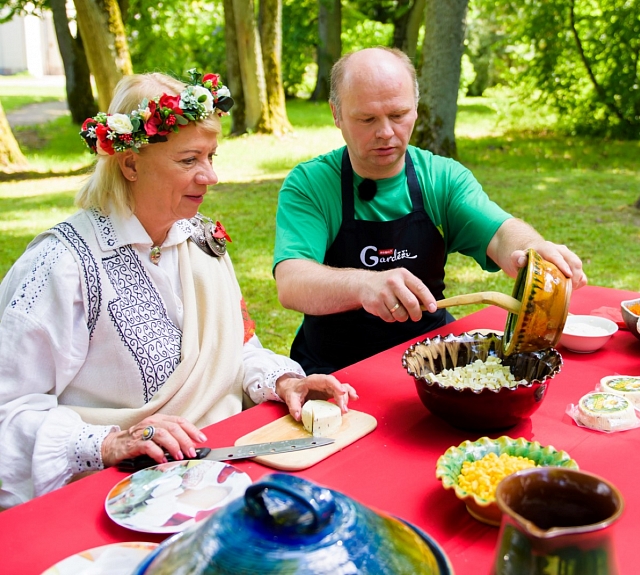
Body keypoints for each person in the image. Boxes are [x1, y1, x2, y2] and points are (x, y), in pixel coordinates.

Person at [0, 70, 356, 509]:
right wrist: (109, 443)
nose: (211, 177)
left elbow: (238, 348)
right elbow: (8, 412)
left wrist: (283, 380)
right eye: (189, 161)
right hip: (118, 493)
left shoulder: (200, 241)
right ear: (130, 163)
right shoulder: (62, 266)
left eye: (211, 156)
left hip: (230, 467)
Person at [273, 47, 587, 375]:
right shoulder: (310, 184)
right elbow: (292, 281)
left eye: (398, 115)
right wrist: (364, 285)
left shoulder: (442, 178)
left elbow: (502, 232)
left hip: (433, 361)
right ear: (336, 114)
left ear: (416, 109)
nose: (385, 132)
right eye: (367, 119)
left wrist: (531, 250)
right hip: (335, 369)